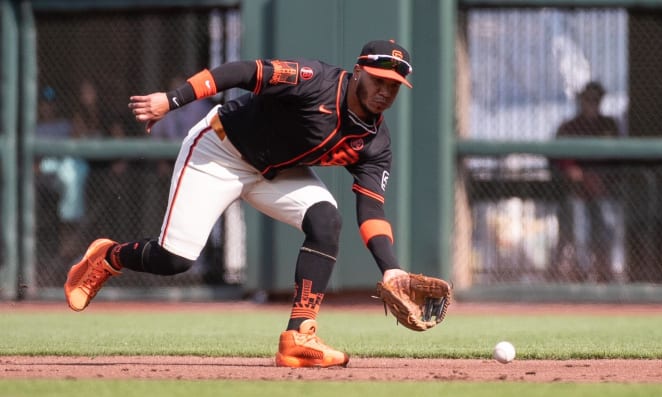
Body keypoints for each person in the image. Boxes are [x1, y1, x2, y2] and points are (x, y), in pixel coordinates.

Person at [64, 40, 414, 368]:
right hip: (219, 150)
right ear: (358, 72)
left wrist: (390, 267)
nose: (384, 91)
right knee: (174, 259)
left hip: (276, 172)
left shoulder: (374, 143)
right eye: (378, 80)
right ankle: (108, 256)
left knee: (326, 221)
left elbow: (371, 210)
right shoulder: (314, 80)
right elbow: (243, 72)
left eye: (394, 86)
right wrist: (172, 100)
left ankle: (298, 336)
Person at [552, 81, 625, 283]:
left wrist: (603, 178)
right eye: (588, 99)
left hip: (603, 190)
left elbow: (617, 158)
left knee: (608, 231)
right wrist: (573, 171)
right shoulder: (569, 126)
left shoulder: (608, 125)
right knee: (579, 234)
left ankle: (608, 273)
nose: (592, 103)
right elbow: (558, 157)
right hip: (578, 192)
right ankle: (584, 276)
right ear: (581, 101)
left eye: (596, 99)